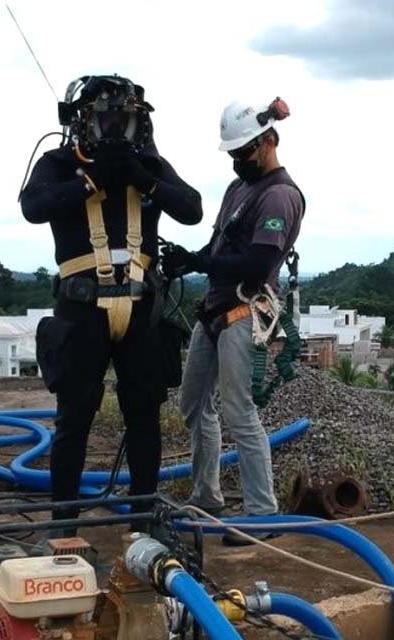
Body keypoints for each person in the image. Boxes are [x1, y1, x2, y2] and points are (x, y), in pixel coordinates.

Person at [21, 74, 203, 527]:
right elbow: (31, 206)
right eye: (106, 121)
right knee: (74, 418)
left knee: (144, 417)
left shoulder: (150, 166)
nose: (115, 130)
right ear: (84, 122)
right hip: (81, 307)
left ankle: (144, 520)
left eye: (124, 121)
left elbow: (193, 208)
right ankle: (64, 524)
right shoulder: (60, 163)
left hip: (142, 307)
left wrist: (144, 177)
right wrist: (90, 181)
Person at [162, 97, 304, 546]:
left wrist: (200, 264)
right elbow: (220, 250)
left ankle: (263, 513)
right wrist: (191, 262)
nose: (238, 161)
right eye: (233, 154)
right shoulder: (237, 190)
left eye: (244, 153)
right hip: (215, 310)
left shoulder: (279, 194)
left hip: (245, 310)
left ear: (269, 141)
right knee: (193, 404)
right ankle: (208, 495)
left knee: (240, 413)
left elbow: (257, 263)